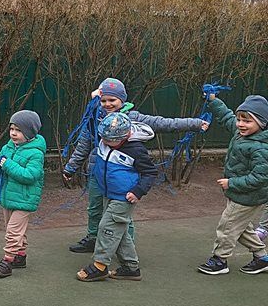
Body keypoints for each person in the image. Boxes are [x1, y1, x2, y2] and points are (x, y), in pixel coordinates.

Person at [63, 77, 207, 254]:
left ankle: (126, 250)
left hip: (122, 177)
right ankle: (93, 238)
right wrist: (71, 168)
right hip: (98, 173)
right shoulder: (95, 117)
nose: (107, 104)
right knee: (94, 209)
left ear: (122, 100)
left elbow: (164, 123)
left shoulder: (133, 117)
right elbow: (84, 145)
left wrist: (194, 124)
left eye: (112, 100)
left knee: (122, 215)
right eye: (103, 100)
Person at [76, 112, 157, 282]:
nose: (105, 142)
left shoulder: (136, 150)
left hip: (124, 196)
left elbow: (150, 172)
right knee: (120, 230)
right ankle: (131, 267)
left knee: (107, 227)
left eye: (110, 140)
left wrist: (138, 191)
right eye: (103, 138)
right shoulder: (104, 139)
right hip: (108, 192)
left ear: (125, 136)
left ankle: (100, 265)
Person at [197, 94, 268, 275]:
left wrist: (232, 183)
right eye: (240, 120)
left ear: (261, 124)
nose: (241, 124)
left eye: (247, 121)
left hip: (248, 196)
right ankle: (261, 258)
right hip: (240, 194)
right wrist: (213, 101)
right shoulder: (240, 133)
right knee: (241, 228)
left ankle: (219, 260)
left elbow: (260, 177)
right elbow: (227, 116)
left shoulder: (261, 148)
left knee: (227, 226)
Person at [0, 110, 46, 278]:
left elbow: (29, 176)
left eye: (19, 130)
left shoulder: (36, 153)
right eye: (12, 129)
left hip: (25, 199)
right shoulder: (8, 147)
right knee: (15, 229)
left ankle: (7, 261)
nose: (13, 133)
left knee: (13, 231)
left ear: (29, 132)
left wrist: (6, 163)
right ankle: (20, 256)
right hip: (9, 196)